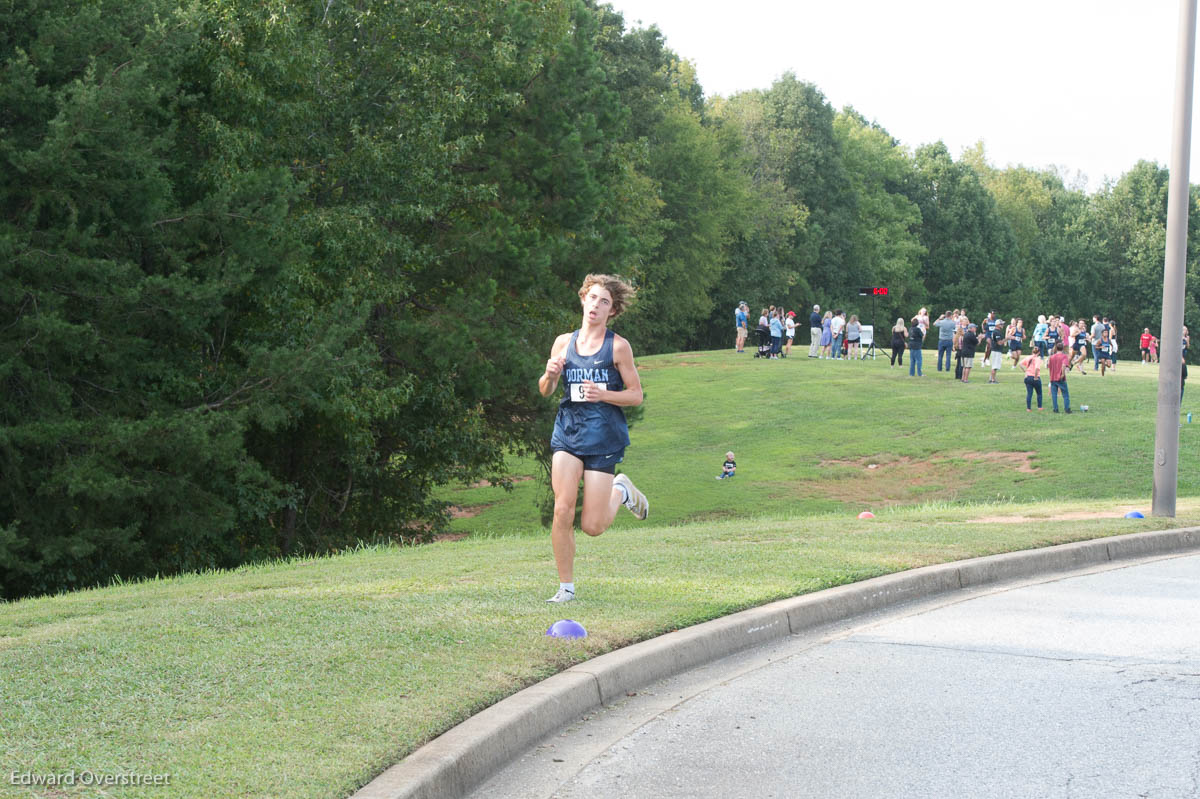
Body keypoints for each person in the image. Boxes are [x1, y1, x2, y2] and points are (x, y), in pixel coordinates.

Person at [540, 274, 648, 604]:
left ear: (612, 311)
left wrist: (604, 394)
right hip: (568, 434)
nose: (596, 305)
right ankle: (565, 588)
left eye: (605, 302)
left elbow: (636, 396)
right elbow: (545, 391)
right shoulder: (562, 343)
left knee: (593, 526)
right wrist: (550, 374)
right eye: (593, 298)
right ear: (583, 299)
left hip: (603, 437)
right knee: (562, 509)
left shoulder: (618, 347)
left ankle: (621, 489)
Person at [1048, 342, 1071, 413]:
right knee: (1065, 394)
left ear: (1056, 348)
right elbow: (1064, 365)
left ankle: (1055, 409)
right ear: (1063, 348)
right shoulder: (1064, 356)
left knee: (1054, 395)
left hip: (1052, 377)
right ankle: (1067, 409)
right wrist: (1063, 374)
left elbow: (1049, 366)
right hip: (1060, 378)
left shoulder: (1051, 357)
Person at [986, 318, 1006, 383]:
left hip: (995, 350)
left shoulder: (997, 331)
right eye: (1001, 324)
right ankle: (993, 380)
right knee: (995, 366)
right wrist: (1007, 338)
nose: (1003, 325)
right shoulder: (996, 332)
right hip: (996, 350)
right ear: (997, 325)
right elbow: (999, 342)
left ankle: (991, 378)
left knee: (994, 365)